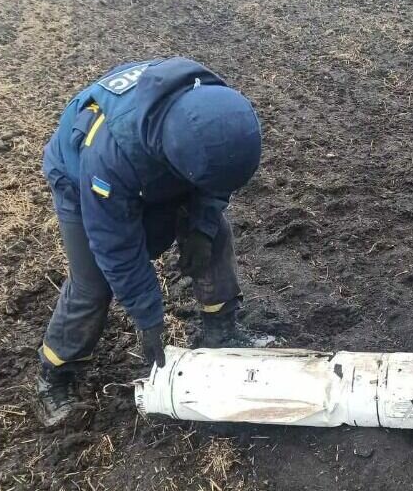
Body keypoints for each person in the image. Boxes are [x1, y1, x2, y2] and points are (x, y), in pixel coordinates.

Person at [35, 57, 264, 427]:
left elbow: (215, 184)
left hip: (163, 164)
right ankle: (54, 376)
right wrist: (148, 317)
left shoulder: (212, 113)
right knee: (93, 283)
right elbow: (115, 246)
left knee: (214, 235)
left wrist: (201, 227)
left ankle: (221, 332)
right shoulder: (109, 154)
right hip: (81, 180)